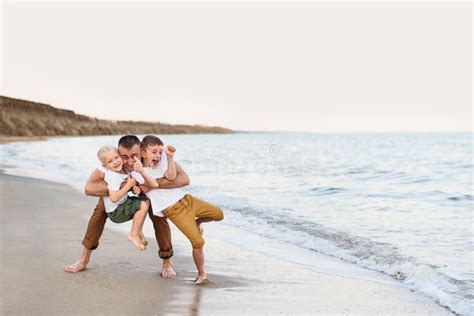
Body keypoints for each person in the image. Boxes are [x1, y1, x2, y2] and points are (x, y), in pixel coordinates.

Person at [65, 135, 190, 277]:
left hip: (147, 190)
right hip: (120, 192)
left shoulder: (153, 156)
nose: (130, 162)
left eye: (134, 156)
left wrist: (148, 183)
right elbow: (89, 188)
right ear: (118, 153)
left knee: (158, 214)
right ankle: (83, 259)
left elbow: (184, 179)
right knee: (100, 210)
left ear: (142, 151)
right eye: (124, 157)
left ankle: (167, 263)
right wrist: (126, 186)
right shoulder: (112, 163)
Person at [140, 135, 224, 284]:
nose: (158, 155)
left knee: (218, 214)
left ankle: (197, 222)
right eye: (154, 152)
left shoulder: (164, 161)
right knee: (198, 242)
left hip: (187, 200)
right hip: (173, 211)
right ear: (143, 152)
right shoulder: (139, 172)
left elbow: (174, 177)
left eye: (160, 152)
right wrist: (152, 178)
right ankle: (202, 274)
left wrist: (170, 158)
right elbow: (148, 186)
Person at [97, 145, 158, 250]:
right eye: (110, 161)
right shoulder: (113, 176)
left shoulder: (124, 171)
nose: (115, 162)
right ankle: (133, 234)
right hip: (115, 212)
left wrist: (134, 188)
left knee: (145, 201)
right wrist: (128, 186)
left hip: (123, 204)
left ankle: (138, 231)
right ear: (105, 166)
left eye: (116, 157)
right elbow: (114, 198)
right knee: (143, 204)